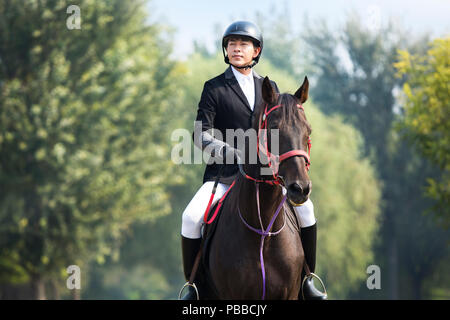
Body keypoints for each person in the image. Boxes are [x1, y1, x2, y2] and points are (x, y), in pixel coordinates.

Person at [180, 21, 326, 300]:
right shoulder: (214, 88)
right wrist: (231, 152)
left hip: (269, 175)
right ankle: (195, 287)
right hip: (224, 176)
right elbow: (201, 133)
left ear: (256, 50)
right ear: (226, 49)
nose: (237, 48)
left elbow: (284, 129)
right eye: (232, 44)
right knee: (190, 218)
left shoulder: (270, 88)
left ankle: (307, 280)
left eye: (243, 44)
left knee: (306, 212)